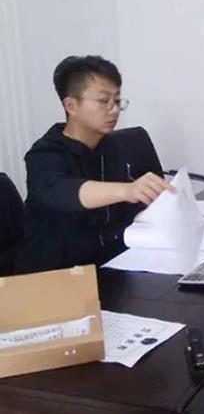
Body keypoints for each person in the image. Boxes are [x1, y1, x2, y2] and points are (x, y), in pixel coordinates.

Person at [18, 55, 174, 274]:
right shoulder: (45, 154)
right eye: (103, 101)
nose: (114, 109)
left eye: (117, 101)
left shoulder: (109, 146)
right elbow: (61, 190)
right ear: (71, 105)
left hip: (110, 264)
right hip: (55, 275)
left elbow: (122, 213)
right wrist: (127, 190)